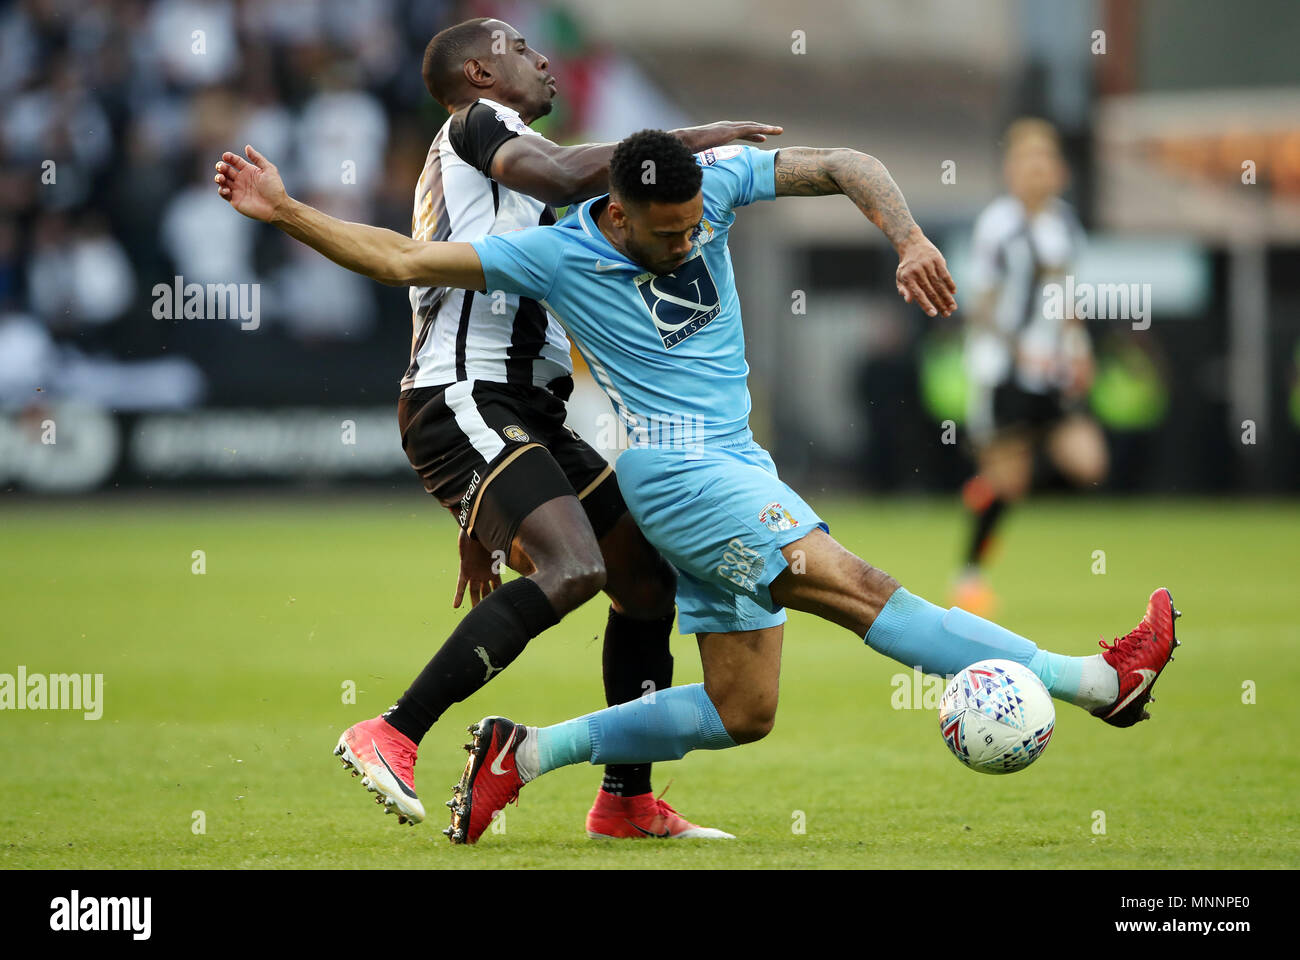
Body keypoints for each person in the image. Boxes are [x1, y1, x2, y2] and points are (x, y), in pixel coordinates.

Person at [214, 128, 1180, 848]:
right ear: (619, 210)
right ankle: (1101, 682)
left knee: (743, 710)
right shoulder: (555, 252)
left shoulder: (710, 185)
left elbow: (846, 165)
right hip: (675, 472)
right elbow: (401, 257)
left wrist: (910, 238)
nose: (684, 246)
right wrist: (287, 210)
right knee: (861, 590)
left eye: (693, 230)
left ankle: (527, 753)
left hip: (734, 463)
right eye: (665, 234)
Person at [268, 16, 781, 840]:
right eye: (517, 48)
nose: (542, 58)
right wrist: (692, 142)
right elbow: (561, 176)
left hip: (522, 409)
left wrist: (487, 513)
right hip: (466, 392)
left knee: (644, 582)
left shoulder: (484, 160)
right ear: (477, 73)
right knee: (574, 567)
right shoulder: (480, 126)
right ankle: (393, 732)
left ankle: (625, 799)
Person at [954, 118, 1109, 617]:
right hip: (1003, 369)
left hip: (1050, 372)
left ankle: (988, 485)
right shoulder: (998, 226)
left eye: (1045, 162)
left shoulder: (1064, 224)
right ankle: (969, 576)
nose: (1037, 172)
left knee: (1088, 462)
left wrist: (1079, 349)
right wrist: (1019, 348)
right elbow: (981, 305)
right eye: (1027, 162)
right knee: (1010, 479)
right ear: (1012, 171)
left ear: (1058, 171)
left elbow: (1068, 298)